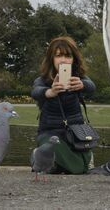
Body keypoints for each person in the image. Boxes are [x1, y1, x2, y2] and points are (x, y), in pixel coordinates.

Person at [31, 36, 96, 174]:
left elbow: (92, 87)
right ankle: (49, 160)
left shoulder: (77, 77)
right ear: (51, 59)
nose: (63, 60)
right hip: (50, 133)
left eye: (68, 56)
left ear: (74, 59)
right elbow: (35, 92)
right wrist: (50, 92)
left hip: (75, 133)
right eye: (58, 56)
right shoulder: (43, 80)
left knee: (78, 161)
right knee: (79, 168)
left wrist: (82, 84)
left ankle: (57, 165)